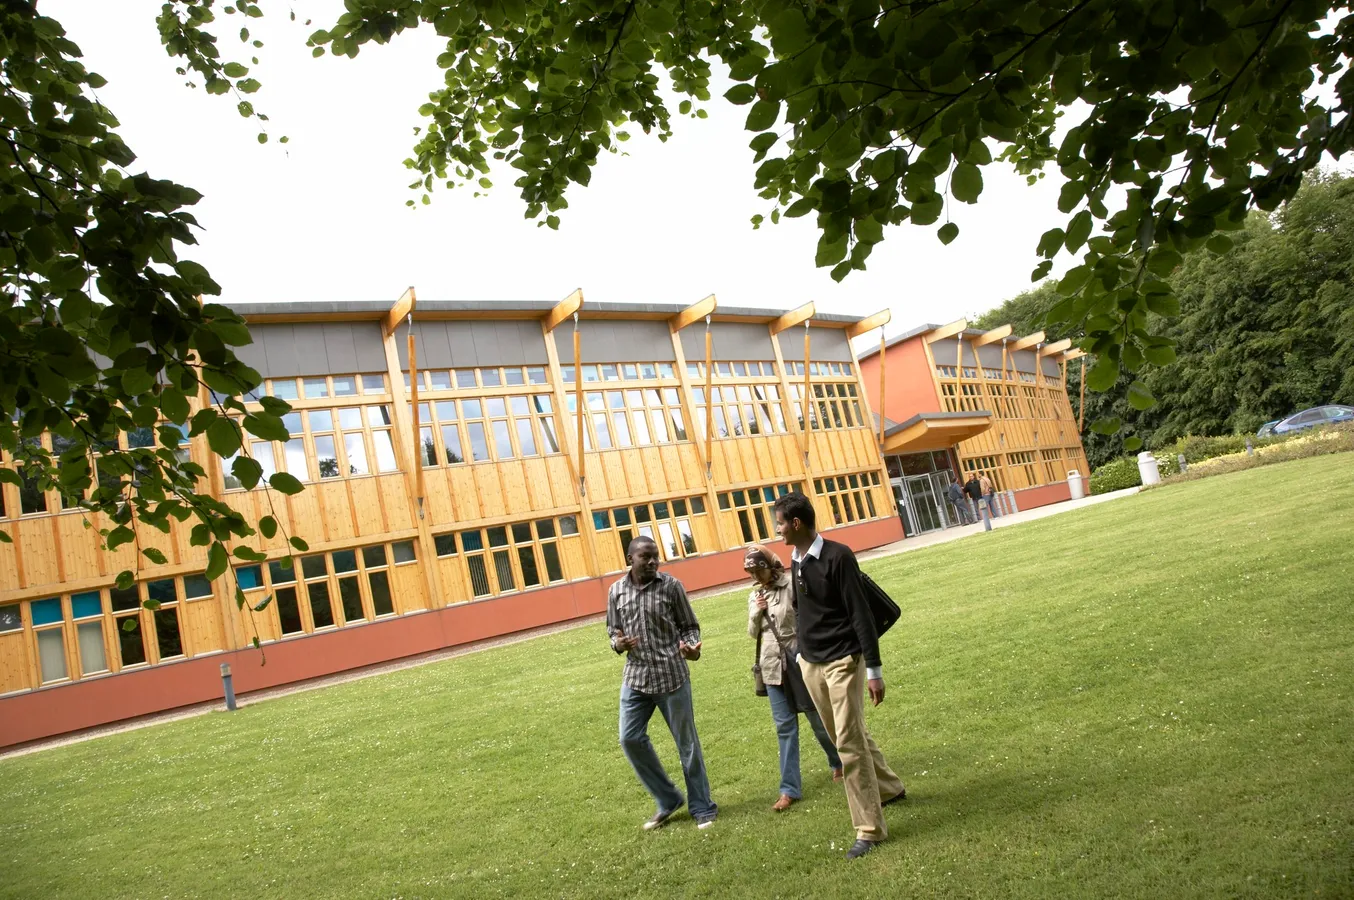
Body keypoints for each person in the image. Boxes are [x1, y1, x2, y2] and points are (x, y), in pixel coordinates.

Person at [773, 492, 906, 860]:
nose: (777, 530)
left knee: (848, 743)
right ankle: (890, 787)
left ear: (796, 523)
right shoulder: (795, 559)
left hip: (843, 661)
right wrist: (801, 654)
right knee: (847, 736)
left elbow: (861, 614)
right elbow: (803, 610)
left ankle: (869, 829)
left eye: (780, 523)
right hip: (811, 663)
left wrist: (874, 670)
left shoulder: (838, 556)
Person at [606, 535, 717, 831]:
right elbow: (613, 631)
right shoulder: (616, 591)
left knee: (687, 745)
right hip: (636, 678)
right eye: (646, 556)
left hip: (672, 676)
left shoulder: (671, 587)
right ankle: (668, 799)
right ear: (630, 559)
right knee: (629, 738)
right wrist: (618, 643)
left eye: (656, 556)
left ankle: (702, 807)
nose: (653, 561)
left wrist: (691, 646)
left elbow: (689, 626)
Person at [744, 544, 843, 812]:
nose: (756, 576)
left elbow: (805, 618)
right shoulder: (755, 595)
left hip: (798, 661)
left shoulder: (791, 585)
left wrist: (806, 652)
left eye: (759, 570)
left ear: (770, 567)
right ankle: (789, 790)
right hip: (771, 667)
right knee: (785, 728)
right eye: (751, 572)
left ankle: (838, 761)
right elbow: (752, 633)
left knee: (817, 719)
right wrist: (756, 612)